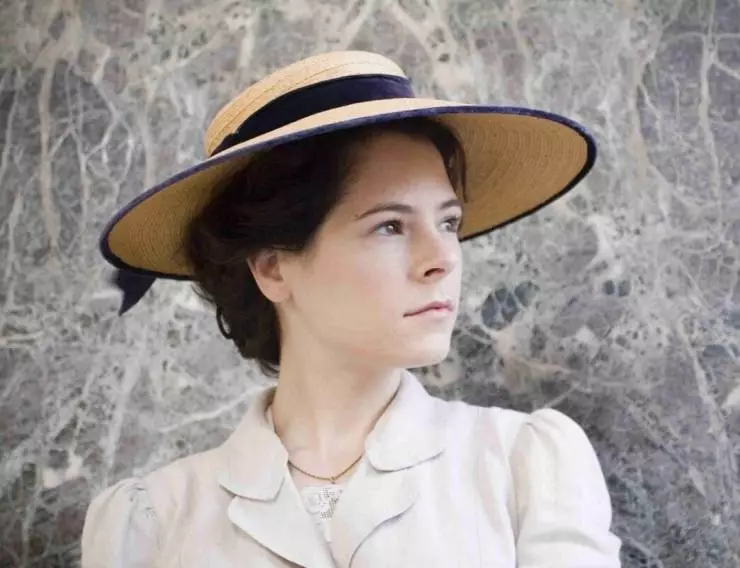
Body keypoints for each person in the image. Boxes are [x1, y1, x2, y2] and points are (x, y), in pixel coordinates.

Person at [81, 50, 622, 567]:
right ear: (272, 267)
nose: (442, 259)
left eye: (448, 223)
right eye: (390, 226)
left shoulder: (523, 467)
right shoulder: (156, 523)